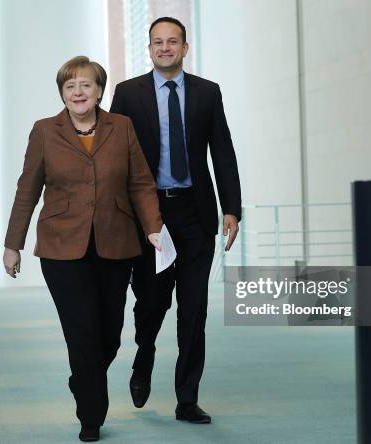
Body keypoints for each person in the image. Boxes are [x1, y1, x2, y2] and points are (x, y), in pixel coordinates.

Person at [3, 56, 163, 443]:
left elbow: (141, 182)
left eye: (86, 85)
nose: (78, 92)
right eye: (70, 86)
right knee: (82, 331)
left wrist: (154, 227)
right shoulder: (44, 131)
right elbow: (28, 190)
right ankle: (91, 416)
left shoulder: (121, 127)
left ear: (99, 90)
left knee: (110, 333)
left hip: (116, 241)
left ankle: (83, 379)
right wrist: (13, 244)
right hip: (62, 247)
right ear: (62, 92)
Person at [110, 17, 242, 424]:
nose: (164, 48)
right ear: (149, 49)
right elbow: (115, 156)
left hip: (195, 214)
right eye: (157, 42)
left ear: (185, 47)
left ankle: (187, 398)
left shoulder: (207, 92)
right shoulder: (128, 94)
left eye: (172, 42)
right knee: (151, 304)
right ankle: (144, 356)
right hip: (150, 217)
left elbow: (222, 151)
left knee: (194, 308)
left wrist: (232, 208)